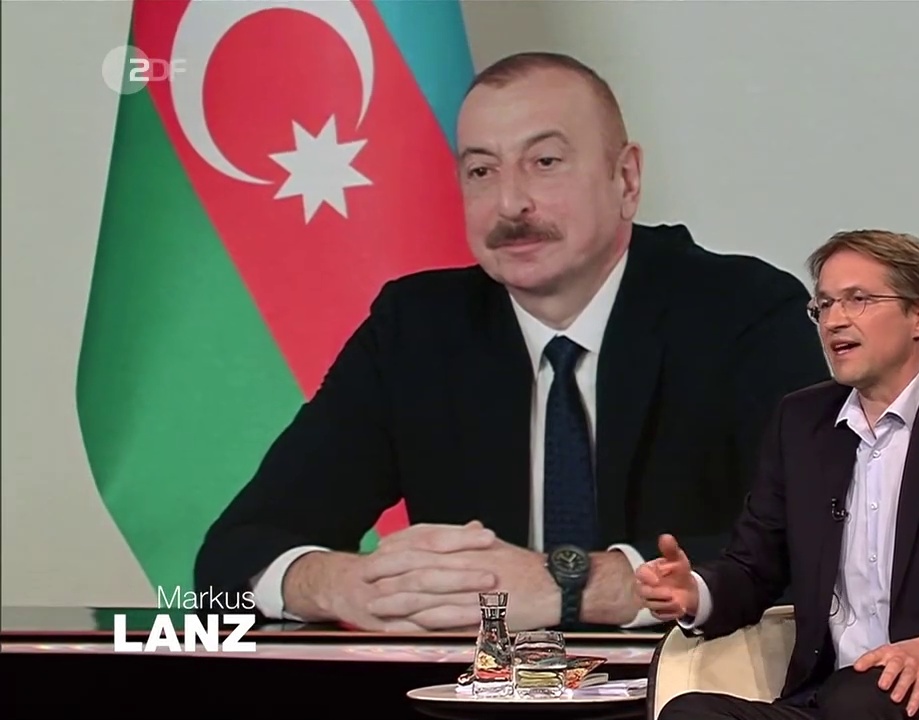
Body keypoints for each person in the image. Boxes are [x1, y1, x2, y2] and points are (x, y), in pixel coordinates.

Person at [192, 52, 830, 634]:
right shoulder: (415, 330)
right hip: (466, 695)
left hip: (683, 695)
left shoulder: (743, 312)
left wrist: (578, 586)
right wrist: (343, 584)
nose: (509, 203)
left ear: (626, 178)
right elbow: (229, 558)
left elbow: (824, 543)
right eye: (481, 170)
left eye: (544, 162)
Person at [636, 229, 919, 720]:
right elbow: (756, 567)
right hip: (825, 700)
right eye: (824, 304)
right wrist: (696, 594)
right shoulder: (802, 422)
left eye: (857, 300)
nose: (834, 320)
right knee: (690, 713)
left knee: (861, 698)